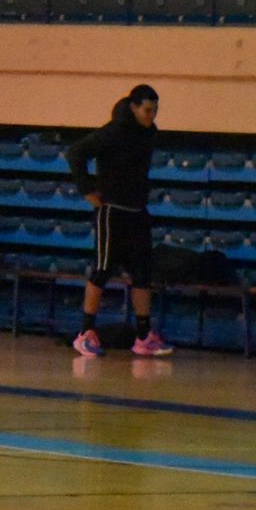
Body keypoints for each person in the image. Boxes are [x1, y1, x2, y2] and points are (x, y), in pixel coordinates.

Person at [66, 84, 173, 358]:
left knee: (142, 274)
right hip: (112, 211)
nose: (152, 115)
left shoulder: (150, 133)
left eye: (155, 110)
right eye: (147, 110)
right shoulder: (114, 132)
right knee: (102, 271)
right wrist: (87, 189)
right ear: (134, 107)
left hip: (137, 210)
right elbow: (76, 152)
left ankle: (143, 336)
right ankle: (85, 333)